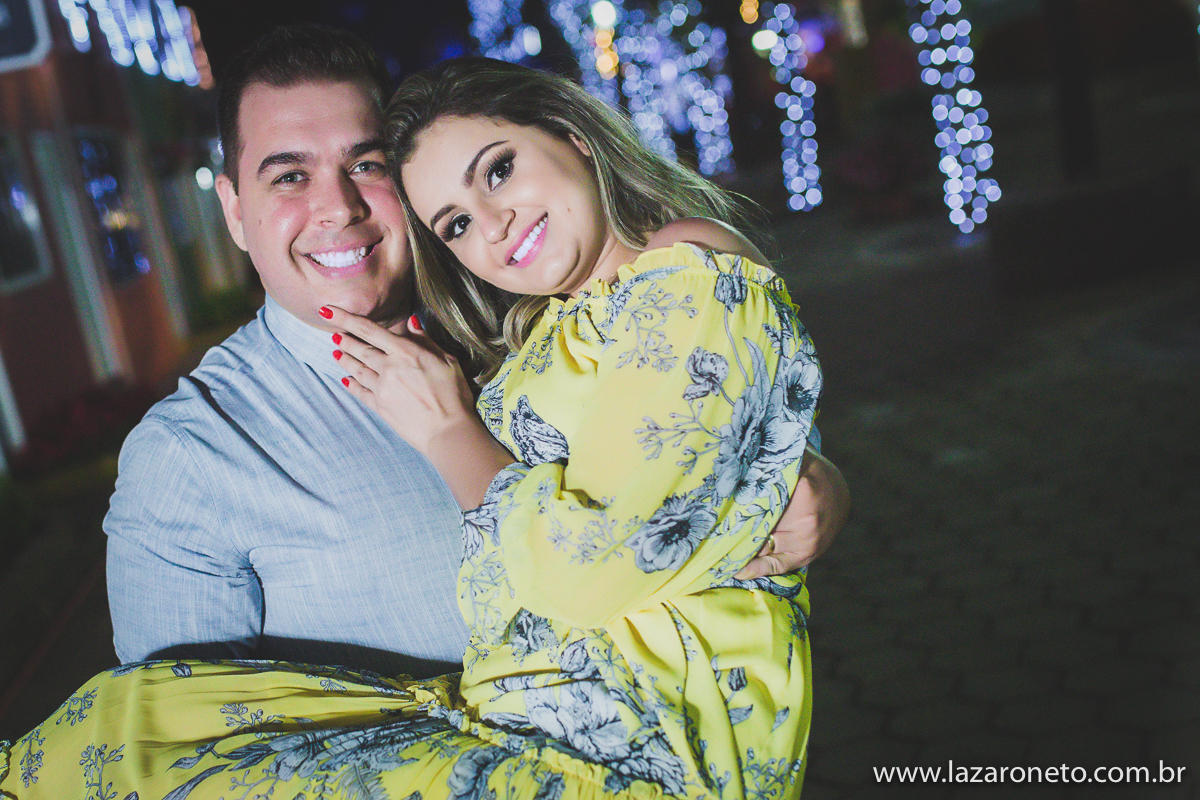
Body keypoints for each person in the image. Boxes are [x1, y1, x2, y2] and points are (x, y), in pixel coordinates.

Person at [0, 37, 846, 800]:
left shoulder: (517, 322)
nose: (337, 208)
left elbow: (704, 417)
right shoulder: (193, 452)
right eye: (288, 175)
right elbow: (188, 757)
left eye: (365, 165)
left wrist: (811, 486)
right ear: (232, 211)